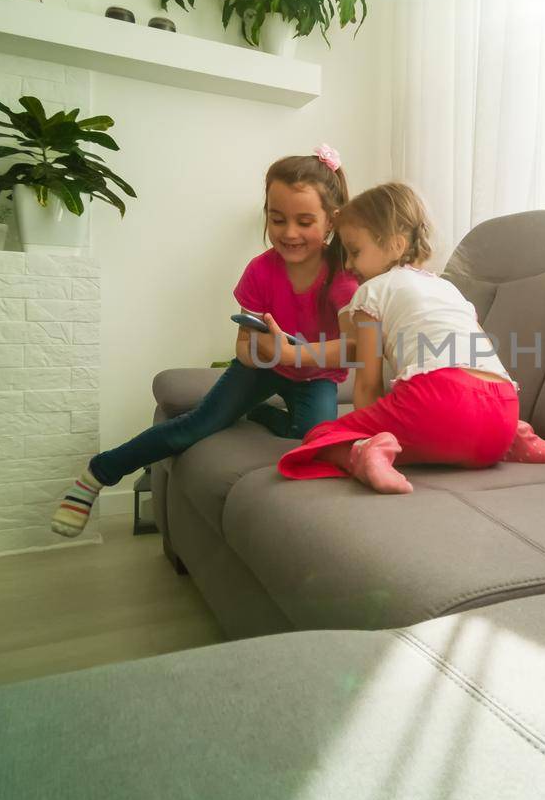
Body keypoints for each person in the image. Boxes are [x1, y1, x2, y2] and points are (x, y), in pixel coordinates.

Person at [51, 147, 356, 536]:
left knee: (312, 439)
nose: (289, 233)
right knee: (194, 426)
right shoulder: (261, 271)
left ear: (331, 220)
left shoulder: (343, 277)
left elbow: (354, 348)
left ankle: (261, 414)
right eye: (277, 219)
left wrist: (295, 353)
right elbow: (243, 347)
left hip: (316, 377)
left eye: (304, 221)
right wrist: (257, 354)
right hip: (264, 370)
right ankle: (98, 473)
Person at [276, 181, 545, 495]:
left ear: (394, 245)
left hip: (440, 404)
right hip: (503, 410)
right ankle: (517, 440)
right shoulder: (449, 290)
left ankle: (366, 453)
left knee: (320, 436)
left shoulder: (372, 292)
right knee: (458, 425)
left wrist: (361, 433)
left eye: (354, 252)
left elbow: (368, 382)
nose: (349, 265)